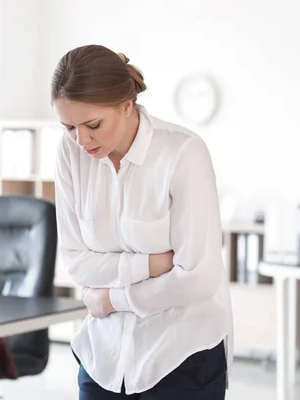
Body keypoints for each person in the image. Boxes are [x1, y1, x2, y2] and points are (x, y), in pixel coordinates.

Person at [52, 44, 233, 399]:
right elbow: (76, 261)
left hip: (181, 355)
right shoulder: (69, 152)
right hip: (103, 358)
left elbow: (197, 279)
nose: (81, 140)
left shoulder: (183, 152)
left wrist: (112, 300)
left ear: (125, 104)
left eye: (92, 125)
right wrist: (151, 264)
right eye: (68, 126)